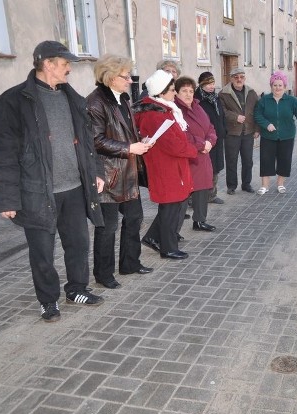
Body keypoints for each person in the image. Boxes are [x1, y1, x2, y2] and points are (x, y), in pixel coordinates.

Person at [0, 40, 106, 322]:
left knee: (78, 244)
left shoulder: (73, 98)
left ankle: (76, 288)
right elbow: (3, 153)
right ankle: (48, 300)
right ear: (48, 64)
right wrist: (7, 198)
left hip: (75, 189)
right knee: (42, 251)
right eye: (65, 63)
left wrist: (96, 173)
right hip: (37, 192)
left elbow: (88, 143)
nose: (69, 69)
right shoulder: (14, 100)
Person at [86, 54, 153, 290]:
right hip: (108, 174)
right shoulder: (95, 103)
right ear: (111, 77)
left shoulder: (123, 98)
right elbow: (95, 140)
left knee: (135, 218)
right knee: (108, 227)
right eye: (126, 76)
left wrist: (139, 141)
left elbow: (125, 131)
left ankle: (130, 263)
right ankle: (103, 274)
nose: (131, 81)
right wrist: (129, 147)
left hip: (128, 171)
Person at [133, 70, 198, 260]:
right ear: (161, 92)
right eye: (171, 90)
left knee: (172, 206)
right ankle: (168, 248)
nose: (175, 93)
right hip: (166, 167)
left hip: (171, 166)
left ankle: (153, 238)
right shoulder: (155, 114)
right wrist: (194, 149)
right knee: (170, 208)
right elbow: (174, 145)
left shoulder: (163, 109)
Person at [253, 71, 297, 194]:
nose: (277, 88)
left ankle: (280, 184)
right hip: (268, 136)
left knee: (284, 160)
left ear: (285, 86)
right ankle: (265, 186)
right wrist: (266, 124)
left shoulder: (292, 101)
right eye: (275, 85)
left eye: (280, 85)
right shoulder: (264, 100)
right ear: (271, 86)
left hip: (287, 136)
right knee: (266, 159)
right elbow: (257, 115)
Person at [174, 76, 217, 233]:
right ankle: (174, 230)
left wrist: (210, 141)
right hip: (188, 156)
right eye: (184, 91)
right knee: (183, 195)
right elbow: (182, 134)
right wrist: (202, 144)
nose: (188, 94)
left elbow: (210, 126)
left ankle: (199, 220)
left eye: (191, 91)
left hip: (203, 154)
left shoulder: (197, 106)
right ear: (176, 93)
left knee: (202, 189)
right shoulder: (176, 110)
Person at [218, 67, 260, 194]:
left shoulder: (251, 92)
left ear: (244, 78)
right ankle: (231, 186)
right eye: (236, 77)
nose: (239, 79)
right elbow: (222, 111)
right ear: (231, 78)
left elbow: (257, 111)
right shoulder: (223, 94)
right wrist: (235, 117)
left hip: (248, 132)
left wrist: (257, 129)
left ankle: (246, 184)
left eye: (241, 77)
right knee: (231, 160)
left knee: (248, 161)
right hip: (232, 132)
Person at [195, 72, 226, 205]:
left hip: (217, 138)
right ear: (202, 84)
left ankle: (212, 195)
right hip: (204, 140)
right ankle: (195, 199)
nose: (211, 86)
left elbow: (221, 115)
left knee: (215, 168)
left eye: (213, 83)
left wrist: (224, 130)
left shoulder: (215, 98)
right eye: (208, 84)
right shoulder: (197, 100)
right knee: (202, 169)